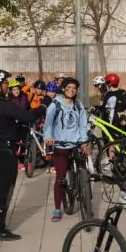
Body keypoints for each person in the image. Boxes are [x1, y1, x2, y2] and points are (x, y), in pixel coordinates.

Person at [0, 69, 46, 241]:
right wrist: (41, 108)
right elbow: (26, 116)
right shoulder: (3, 104)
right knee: (3, 191)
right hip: (4, 151)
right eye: (5, 83)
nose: (7, 85)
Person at [43, 77, 89, 222]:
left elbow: (83, 125)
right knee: (60, 178)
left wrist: (83, 141)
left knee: (85, 173)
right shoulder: (55, 105)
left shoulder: (78, 105)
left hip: (75, 144)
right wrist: (49, 137)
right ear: (63, 89)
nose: (71, 90)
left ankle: (86, 198)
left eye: (74, 88)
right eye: (68, 87)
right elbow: (48, 123)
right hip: (60, 145)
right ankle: (57, 208)